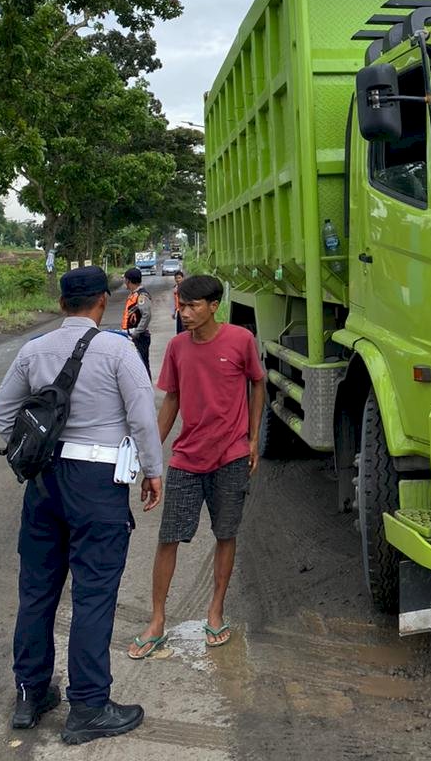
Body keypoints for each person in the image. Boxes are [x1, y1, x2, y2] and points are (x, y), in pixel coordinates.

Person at [0, 266, 164, 745]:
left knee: (38, 590)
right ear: (100, 303)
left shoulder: (33, 351)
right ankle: (88, 705)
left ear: (63, 303)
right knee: (93, 594)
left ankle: (30, 694)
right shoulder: (117, 349)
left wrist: (28, 452)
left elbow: (3, 414)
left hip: (44, 481)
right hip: (97, 485)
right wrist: (152, 470)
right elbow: (142, 415)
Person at [128, 274, 265, 658]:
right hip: (188, 459)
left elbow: (258, 383)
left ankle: (216, 611)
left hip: (231, 458)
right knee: (168, 537)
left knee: (226, 533)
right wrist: (150, 457)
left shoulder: (241, 341)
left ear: (213, 306)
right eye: (181, 306)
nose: (184, 313)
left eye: (192, 306)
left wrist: (253, 437)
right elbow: (171, 401)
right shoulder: (176, 348)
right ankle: (157, 620)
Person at [121, 267, 153, 377]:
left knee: (142, 364)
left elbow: (146, 315)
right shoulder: (133, 294)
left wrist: (137, 332)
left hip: (139, 336)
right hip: (132, 335)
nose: (124, 282)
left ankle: (147, 390)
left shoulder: (141, 296)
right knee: (135, 365)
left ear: (129, 281)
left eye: (125, 279)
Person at [172, 269, 185, 334]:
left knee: (184, 329)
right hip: (178, 311)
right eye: (176, 278)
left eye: (179, 278)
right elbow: (174, 301)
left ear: (183, 278)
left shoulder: (186, 288)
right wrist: (174, 312)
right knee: (179, 330)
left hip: (185, 311)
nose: (178, 280)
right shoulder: (175, 288)